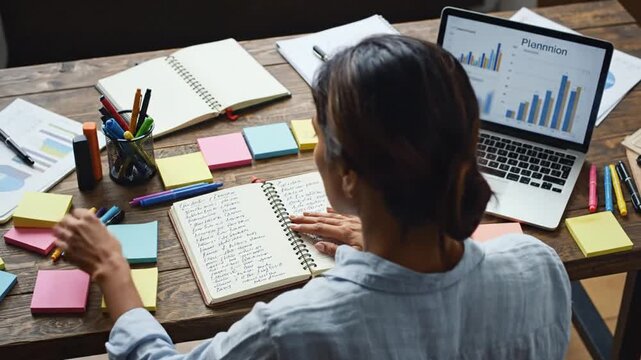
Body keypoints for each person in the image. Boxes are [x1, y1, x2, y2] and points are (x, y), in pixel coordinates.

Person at [53, 35, 571, 359]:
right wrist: (379, 242)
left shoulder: (290, 332)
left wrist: (114, 275)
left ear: (349, 177)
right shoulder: (538, 266)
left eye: (319, 132)